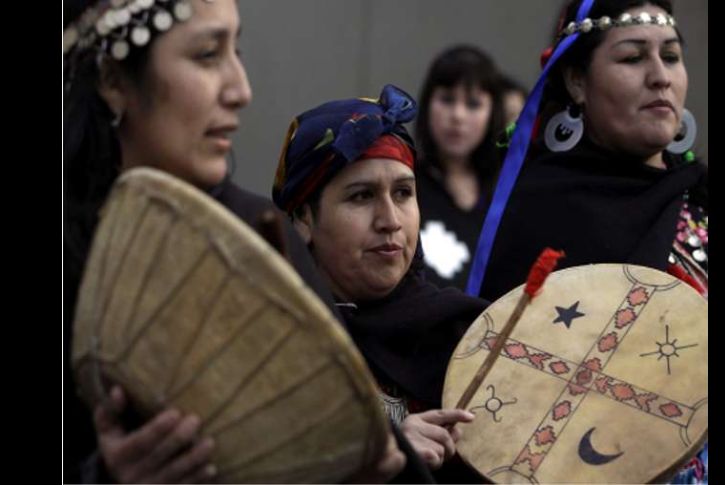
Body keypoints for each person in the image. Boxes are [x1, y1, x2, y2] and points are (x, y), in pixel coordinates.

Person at [63, 1, 405, 482]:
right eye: (206, 54)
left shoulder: (258, 232)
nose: (241, 90)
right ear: (114, 81)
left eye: (237, 50)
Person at [465, 1, 707, 482]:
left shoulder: (700, 194)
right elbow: (507, 409)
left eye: (672, 56)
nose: (660, 76)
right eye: (633, 58)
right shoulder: (539, 213)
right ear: (577, 81)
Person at [272, 84, 491, 481]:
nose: (390, 219)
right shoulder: (271, 346)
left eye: (403, 193)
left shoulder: (467, 336)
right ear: (304, 217)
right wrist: (378, 456)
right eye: (361, 196)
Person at [414, 45, 506, 290]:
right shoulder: (404, 183)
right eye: (446, 99)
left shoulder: (507, 188)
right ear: (427, 104)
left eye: (473, 104)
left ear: (493, 113)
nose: (458, 116)